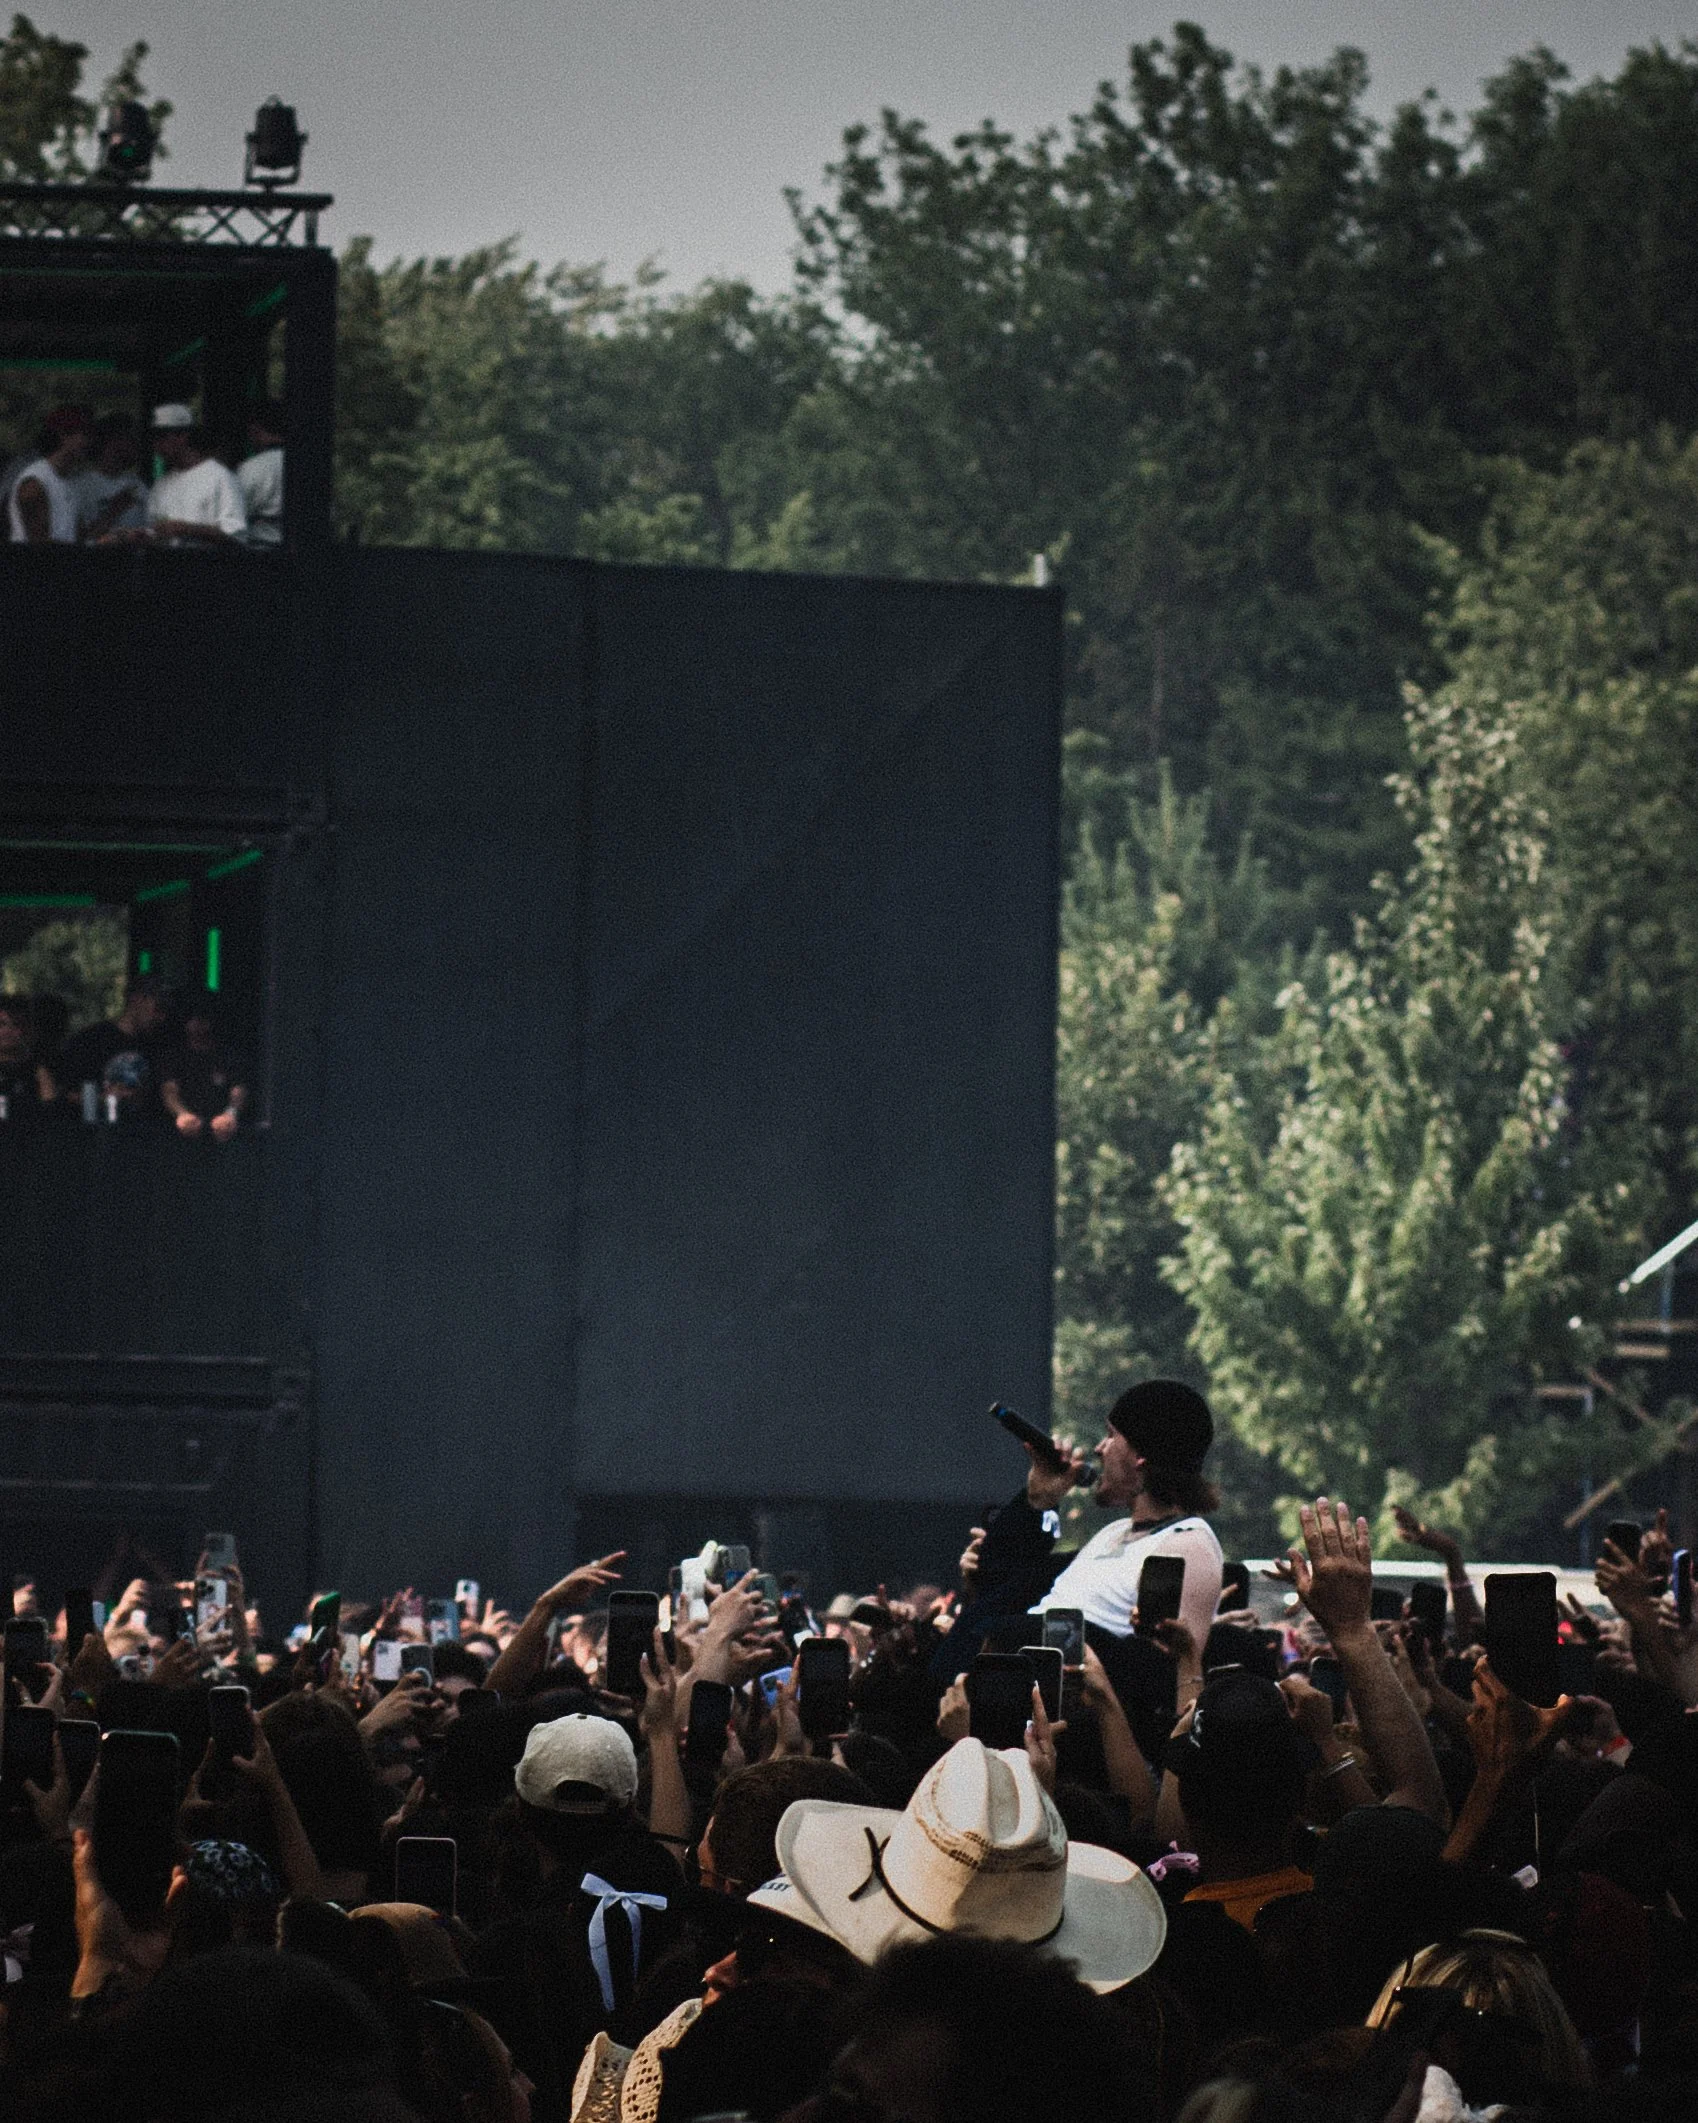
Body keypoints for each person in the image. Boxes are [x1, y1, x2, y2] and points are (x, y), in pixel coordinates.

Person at [140, 402, 247, 545]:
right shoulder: (161, 483)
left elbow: (236, 537)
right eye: (152, 438)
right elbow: (152, 529)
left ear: (182, 436)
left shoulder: (220, 477)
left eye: (161, 437)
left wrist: (187, 529)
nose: (156, 445)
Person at [57, 978, 167, 1117]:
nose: (161, 1017)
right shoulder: (92, 1040)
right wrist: (106, 1100)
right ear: (136, 1000)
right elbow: (67, 1094)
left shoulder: (156, 1047)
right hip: (99, 1132)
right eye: (158, 1008)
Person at [159, 997, 249, 1139]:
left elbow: (238, 1089)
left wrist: (230, 1114)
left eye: (203, 1019)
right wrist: (182, 1114)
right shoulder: (174, 1056)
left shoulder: (227, 1055)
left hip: (221, 1135)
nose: (198, 1025)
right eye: (193, 1019)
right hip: (182, 1135)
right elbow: (169, 1090)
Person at [7, 405, 94, 542]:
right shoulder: (35, 482)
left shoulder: (69, 482)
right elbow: (40, 547)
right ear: (64, 435)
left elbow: (79, 538)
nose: (89, 442)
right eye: (84, 434)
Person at [71, 414, 149, 541]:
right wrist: (113, 511)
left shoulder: (137, 484)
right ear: (114, 441)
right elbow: (78, 540)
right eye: (131, 438)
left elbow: (152, 530)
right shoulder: (80, 486)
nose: (137, 445)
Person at [237, 402, 286, 546]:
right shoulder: (306, 464)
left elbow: (234, 516)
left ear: (256, 429)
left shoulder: (254, 467)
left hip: (261, 553)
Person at [0, 994, 56, 1113]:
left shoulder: (37, 1070)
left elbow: (50, 1110)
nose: (6, 1032)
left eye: (15, 1025)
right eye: (2, 1024)